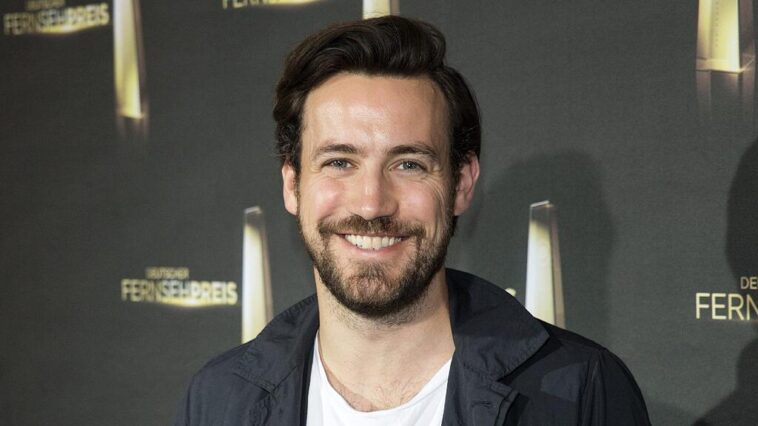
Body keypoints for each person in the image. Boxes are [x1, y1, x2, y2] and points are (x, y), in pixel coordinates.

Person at [175, 16, 650, 425]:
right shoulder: (220, 400)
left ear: (461, 184)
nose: (371, 204)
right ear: (292, 185)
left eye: (408, 164)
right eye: (339, 162)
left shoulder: (583, 391)